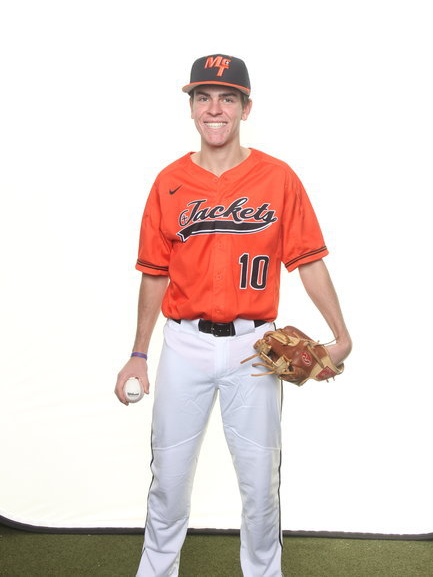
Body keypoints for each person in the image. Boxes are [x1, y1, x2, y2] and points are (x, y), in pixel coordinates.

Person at [114, 54, 352, 577]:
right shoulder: (169, 182)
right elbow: (154, 273)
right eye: (203, 97)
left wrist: (341, 334)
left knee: (260, 483)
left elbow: (309, 260)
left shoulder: (277, 178)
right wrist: (138, 354)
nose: (214, 109)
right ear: (191, 108)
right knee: (169, 478)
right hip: (184, 345)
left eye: (227, 98)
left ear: (246, 108)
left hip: (255, 349)